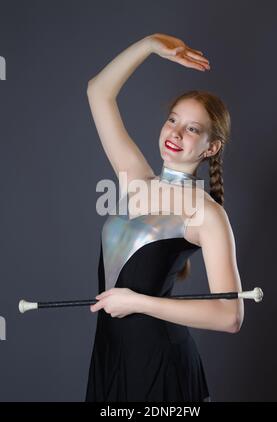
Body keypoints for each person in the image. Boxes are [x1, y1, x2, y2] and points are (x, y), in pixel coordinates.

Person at [85, 33, 244, 402]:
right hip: (109, 355)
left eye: (192, 128)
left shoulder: (206, 213)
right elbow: (98, 92)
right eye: (173, 120)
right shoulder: (136, 180)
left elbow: (230, 316)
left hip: (160, 365)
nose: (175, 133)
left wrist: (137, 302)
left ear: (211, 147)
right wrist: (150, 45)